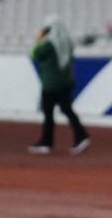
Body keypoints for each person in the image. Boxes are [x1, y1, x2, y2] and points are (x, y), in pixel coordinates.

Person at [29, 15, 89, 155]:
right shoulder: (67, 41)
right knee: (67, 110)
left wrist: (39, 39)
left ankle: (46, 142)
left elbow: (34, 54)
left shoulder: (49, 44)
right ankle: (81, 135)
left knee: (49, 114)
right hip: (66, 82)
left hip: (50, 84)